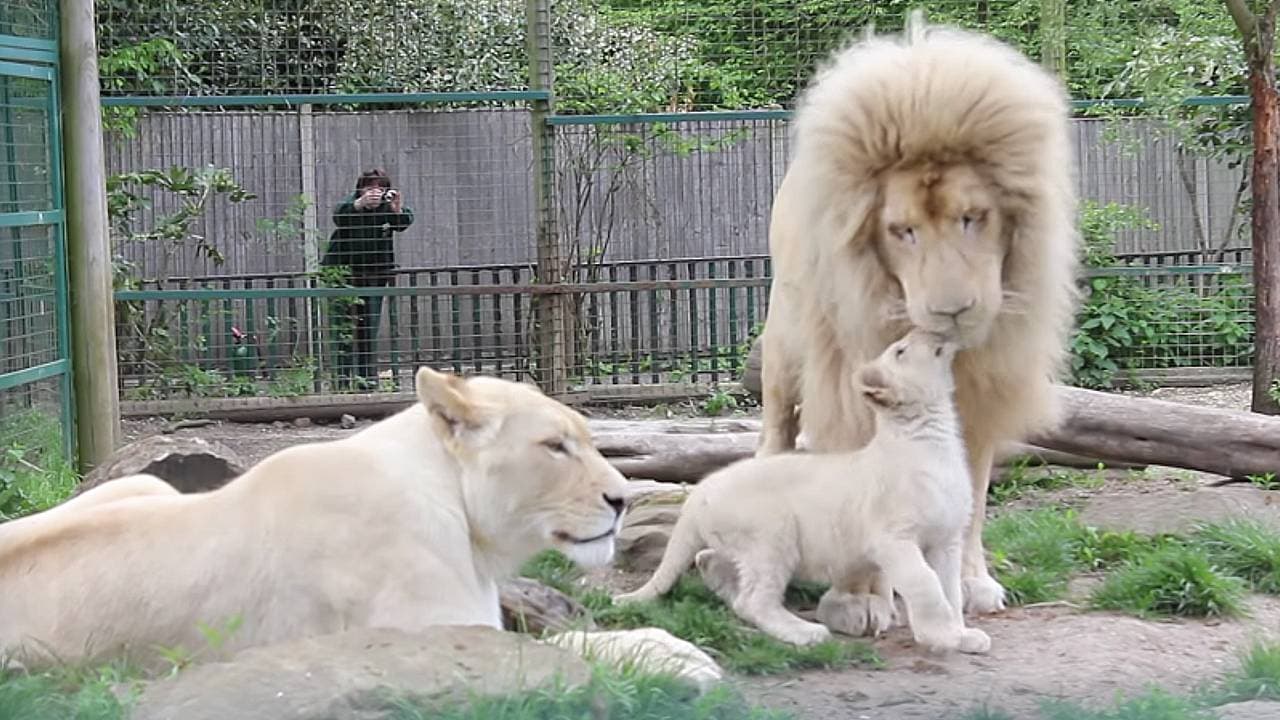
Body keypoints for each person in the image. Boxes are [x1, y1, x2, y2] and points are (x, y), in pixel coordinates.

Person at [321, 168, 415, 388]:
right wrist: (360, 204)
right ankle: (342, 381)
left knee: (368, 327)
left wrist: (396, 208)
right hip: (342, 275)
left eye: (380, 187)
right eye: (369, 187)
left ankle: (367, 380)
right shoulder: (352, 204)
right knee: (343, 328)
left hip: (374, 275)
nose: (375, 192)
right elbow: (339, 215)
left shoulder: (387, 207)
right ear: (360, 189)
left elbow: (403, 222)